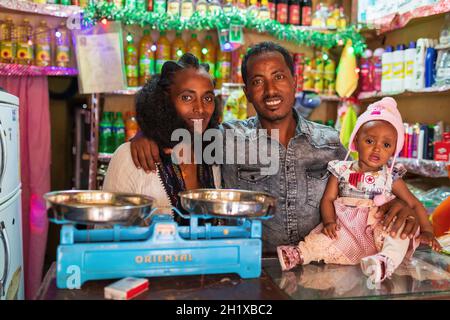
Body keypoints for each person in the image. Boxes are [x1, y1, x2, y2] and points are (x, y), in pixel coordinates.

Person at [128, 42, 421, 254]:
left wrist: (397, 204)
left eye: (279, 77)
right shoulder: (227, 138)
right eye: (258, 81)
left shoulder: (330, 142)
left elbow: (370, 180)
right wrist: (147, 133)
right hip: (253, 267)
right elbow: (183, 127)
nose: (270, 91)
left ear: (295, 82)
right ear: (246, 93)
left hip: (321, 265)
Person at [277, 97, 442, 283]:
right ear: (356, 140)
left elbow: (413, 203)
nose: (377, 149)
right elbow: (328, 199)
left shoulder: (391, 176)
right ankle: (298, 254)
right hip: (345, 227)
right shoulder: (341, 170)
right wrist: (329, 221)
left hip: (378, 227)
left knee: (398, 235)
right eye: (370, 141)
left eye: (386, 145)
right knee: (322, 238)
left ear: (394, 150)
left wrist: (427, 230)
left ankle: (384, 261)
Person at [103, 53, 221, 219]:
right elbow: (107, 233)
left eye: (207, 98)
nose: (200, 108)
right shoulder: (129, 157)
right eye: (187, 97)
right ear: (165, 101)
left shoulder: (212, 158)